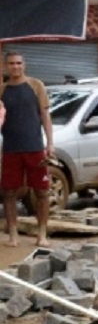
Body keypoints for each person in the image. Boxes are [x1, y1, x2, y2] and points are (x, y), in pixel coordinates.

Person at [0, 52, 54, 247]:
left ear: (25, 65)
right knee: (9, 193)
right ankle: (13, 235)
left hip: (35, 147)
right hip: (10, 149)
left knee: (42, 191)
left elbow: (45, 115)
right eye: (12, 64)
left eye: (19, 63)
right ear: (6, 66)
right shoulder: (3, 89)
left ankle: (42, 234)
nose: (16, 67)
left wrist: (50, 143)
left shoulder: (36, 85)